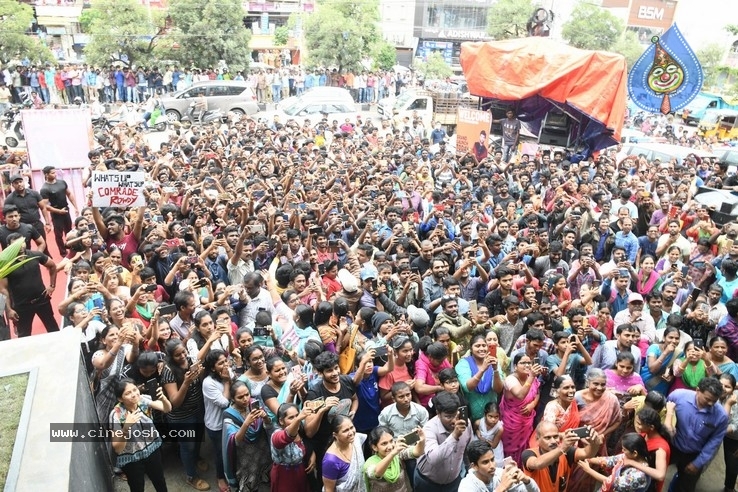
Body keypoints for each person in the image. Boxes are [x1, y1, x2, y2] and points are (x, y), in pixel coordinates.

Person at [666, 376, 728, 492]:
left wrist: (698, 462)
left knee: (686, 487)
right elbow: (663, 414)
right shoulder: (678, 396)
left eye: (714, 401)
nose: (710, 403)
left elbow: (714, 442)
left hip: (694, 454)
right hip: (671, 446)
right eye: (707, 399)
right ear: (698, 390)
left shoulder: (721, 416)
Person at [109, 378, 172, 492]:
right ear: (120, 398)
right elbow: (118, 448)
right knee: (137, 487)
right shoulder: (117, 414)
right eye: (128, 393)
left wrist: (163, 398)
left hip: (152, 449)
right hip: (132, 458)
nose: (134, 395)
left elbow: (167, 408)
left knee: (160, 481)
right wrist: (126, 428)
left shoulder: (142, 400)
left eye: (134, 389)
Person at [0, 233, 59, 337]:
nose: (21, 246)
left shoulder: (35, 255)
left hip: (42, 300)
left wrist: (52, 286)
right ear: (9, 247)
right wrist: (8, 309)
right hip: (21, 305)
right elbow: (3, 289)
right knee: (24, 335)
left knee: (53, 328)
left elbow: (53, 266)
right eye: (16, 245)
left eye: (22, 243)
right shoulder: (5, 263)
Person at [414, 391, 473, 491]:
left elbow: (468, 450)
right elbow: (433, 459)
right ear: (438, 413)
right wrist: (454, 436)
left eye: (455, 415)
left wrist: (470, 469)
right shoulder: (429, 429)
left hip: (453, 483)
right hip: (428, 483)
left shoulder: (466, 424)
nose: (454, 420)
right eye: (448, 416)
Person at [522, 421, 603, 492]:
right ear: (537, 439)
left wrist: (594, 443)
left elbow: (586, 453)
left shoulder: (566, 452)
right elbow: (537, 464)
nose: (553, 441)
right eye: (547, 438)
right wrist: (562, 447)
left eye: (556, 436)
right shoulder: (529, 453)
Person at [222, 380, 272, 492]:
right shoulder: (229, 415)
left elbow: (268, 425)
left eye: (247, 394)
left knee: (262, 474)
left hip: (260, 450)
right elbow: (234, 440)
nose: (245, 399)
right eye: (240, 397)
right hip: (245, 456)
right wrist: (246, 423)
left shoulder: (254, 404)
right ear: (233, 398)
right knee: (249, 483)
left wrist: (265, 417)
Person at [500, 352, 543, 465]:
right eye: (523, 363)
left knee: (525, 446)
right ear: (515, 366)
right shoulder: (510, 379)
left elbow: (537, 393)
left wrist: (533, 404)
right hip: (512, 423)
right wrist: (532, 377)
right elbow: (520, 395)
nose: (527, 365)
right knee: (510, 449)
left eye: (529, 363)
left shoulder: (531, 377)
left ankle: (523, 468)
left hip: (527, 421)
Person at [577, 432, 652, 492]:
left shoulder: (640, 476)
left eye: (624, 449)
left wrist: (588, 470)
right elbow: (610, 460)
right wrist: (590, 459)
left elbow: (612, 482)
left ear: (635, 453)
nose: (622, 451)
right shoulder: (629, 456)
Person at [202, 349, 233, 492]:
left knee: (231, 449)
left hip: (230, 420)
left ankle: (231, 472)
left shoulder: (227, 373)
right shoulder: (208, 383)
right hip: (217, 424)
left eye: (226, 361)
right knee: (220, 453)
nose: (226, 365)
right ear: (213, 367)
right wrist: (227, 382)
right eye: (221, 363)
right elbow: (224, 402)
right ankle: (220, 477)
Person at [455, 333, 504, 422]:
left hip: (491, 416)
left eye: (484, 345)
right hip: (471, 414)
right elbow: (467, 387)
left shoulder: (494, 362)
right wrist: (482, 370)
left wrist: (495, 369)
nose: (481, 348)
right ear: (471, 348)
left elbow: (498, 389)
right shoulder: (463, 363)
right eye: (477, 346)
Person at [459, 440, 540, 492]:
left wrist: (527, 481)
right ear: (474, 466)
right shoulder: (467, 485)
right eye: (485, 462)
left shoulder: (500, 474)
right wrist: (502, 488)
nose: (492, 465)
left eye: (492, 459)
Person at [362, 425, 425, 492]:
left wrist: (422, 440)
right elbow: (377, 473)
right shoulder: (370, 463)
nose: (390, 446)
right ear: (374, 447)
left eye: (391, 441)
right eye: (384, 443)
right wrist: (393, 453)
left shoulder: (398, 454)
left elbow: (417, 452)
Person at [4, 173, 51, 256]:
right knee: (24, 247)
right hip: (23, 227)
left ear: (23, 182)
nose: (19, 184)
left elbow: (43, 207)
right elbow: (8, 213)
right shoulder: (10, 199)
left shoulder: (34, 193)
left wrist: (47, 223)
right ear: (13, 185)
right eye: (16, 183)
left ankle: (49, 265)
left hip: (37, 224)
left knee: (44, 246)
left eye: (20, 181)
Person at [321, 414, 367, 492]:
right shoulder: (330, 461)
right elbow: (328, 490)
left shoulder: (356, 440)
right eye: (345, 430)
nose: (351, 433)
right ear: (335, 435)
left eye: (352, 427)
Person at [39, 165, 77, 257]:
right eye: (52, 173)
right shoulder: (45, 188)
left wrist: (75, 207)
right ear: (46, 175)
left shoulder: (62, 182)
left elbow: (69, 194)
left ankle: (72, 248)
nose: (55, 174)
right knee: (58, 234)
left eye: (55, 172)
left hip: (66, 210)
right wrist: (58, 211)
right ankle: (63, 252)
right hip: (56, 213)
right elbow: (45, 206)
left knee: (70, 231)